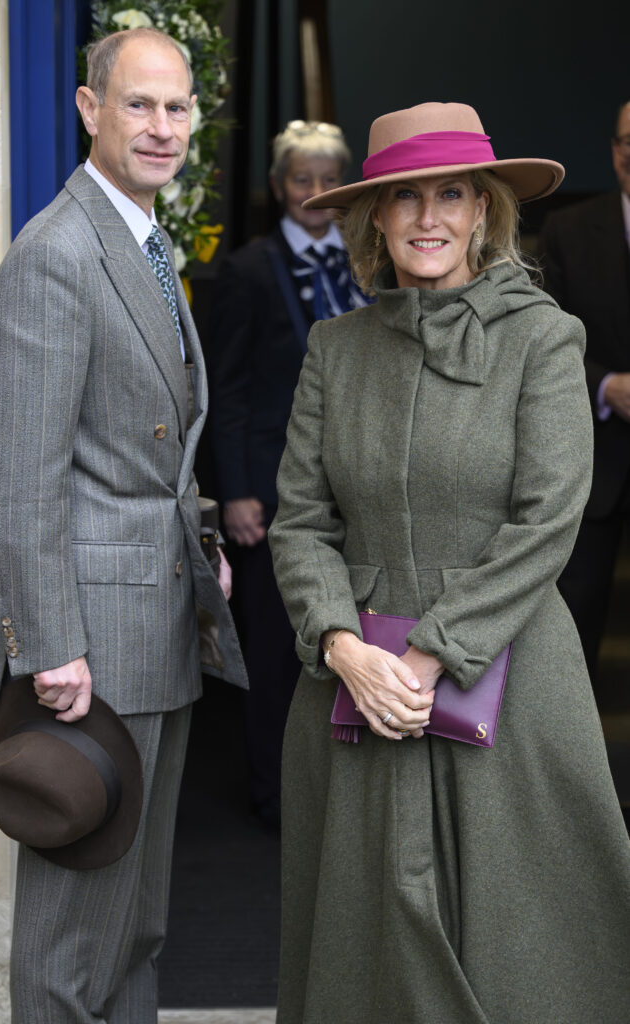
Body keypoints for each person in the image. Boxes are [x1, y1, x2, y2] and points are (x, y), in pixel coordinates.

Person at [268, 102, 630, 1023]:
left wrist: (427, 659)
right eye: (404, 197)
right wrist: (345, 648)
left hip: (505, 677)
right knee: (363, 949)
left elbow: (548, 518)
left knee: (520, 951)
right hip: (356, 687)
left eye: (452, 195)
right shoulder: (333, 350)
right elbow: (300, 522)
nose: (428, 217)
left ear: (482, 213)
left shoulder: (543, 337)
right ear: (375, 218)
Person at [0, 26, 246, 1024]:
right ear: (91, 110)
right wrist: (48, 648)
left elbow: (143, 452)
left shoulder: (139, 236)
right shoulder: (55, 253)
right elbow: (18, 475)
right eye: (139, 104)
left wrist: (201, 550)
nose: (163, 126)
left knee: (136, 925)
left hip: (157, 624)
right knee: (69, 937)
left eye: (178, 107)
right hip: (86, 650)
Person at [207, 119, 371, 828]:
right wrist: (238, 489)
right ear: (277, 187)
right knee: (278, 646)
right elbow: (228, 390)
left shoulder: (373, 261)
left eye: (328, 179)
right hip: (275, 492)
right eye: (300, 179)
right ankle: (277, 798)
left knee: (358, 635)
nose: (314, 191)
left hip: (358, 484)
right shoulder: (246, 269)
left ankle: (348, 796)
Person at [540, 100, 630, 680]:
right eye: (628, 141)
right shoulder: (568, 230)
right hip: (594, 463)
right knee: (576, 623)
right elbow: (543, 339)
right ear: (615, 149)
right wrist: (607, 384)